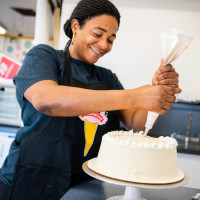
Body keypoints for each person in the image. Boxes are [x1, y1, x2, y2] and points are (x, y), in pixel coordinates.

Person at [0, 0, 181, 199]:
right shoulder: (44, 57)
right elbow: (46, 100)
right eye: (97, 34)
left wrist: (156, 93)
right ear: (76, 26)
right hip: (29, 180)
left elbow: (135, 124)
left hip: (83, 186)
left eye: (111, 39)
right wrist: (134, 96)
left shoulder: (108, 78)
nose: (104, 45)